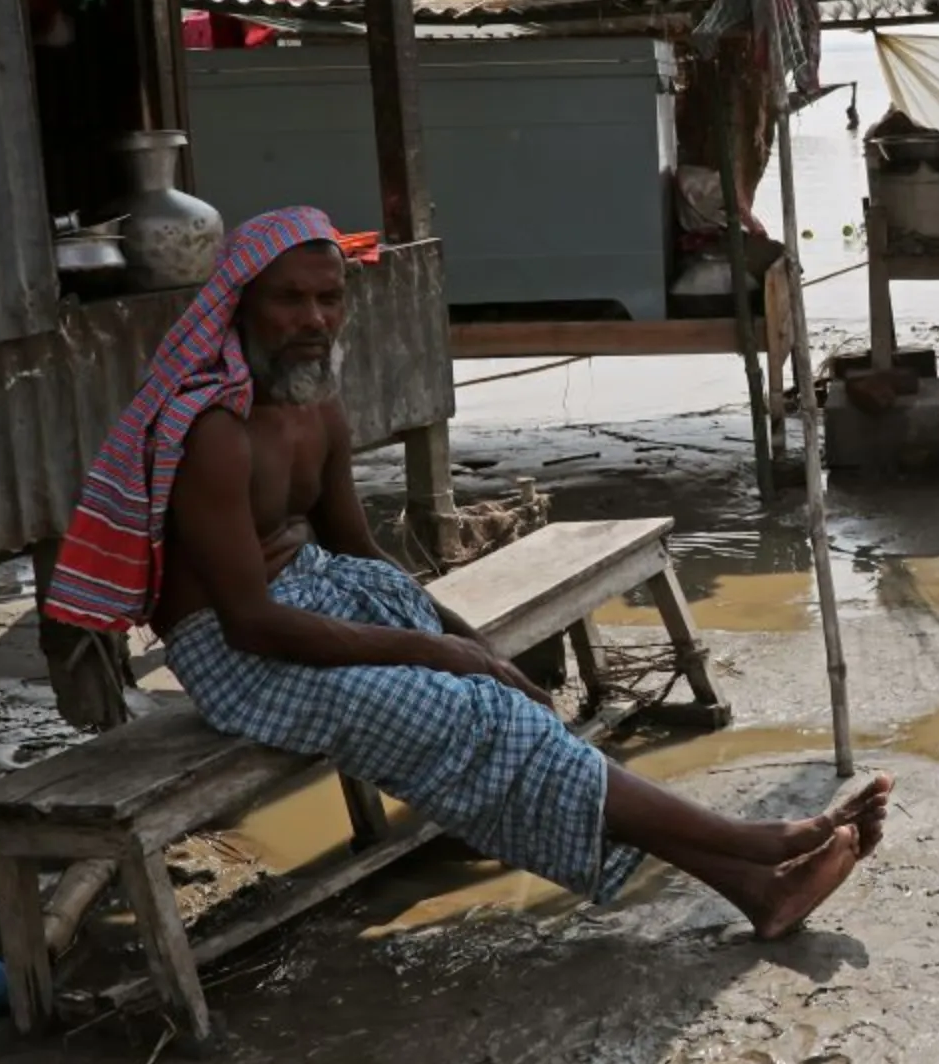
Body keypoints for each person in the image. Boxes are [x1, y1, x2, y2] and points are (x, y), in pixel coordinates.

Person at [44, 207, 888, 937]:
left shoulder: (318, 407)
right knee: (488, 721)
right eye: (289, 299)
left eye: (329, 298)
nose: (312, 318)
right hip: (243, 661)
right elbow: (250, 623)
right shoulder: (214, 433)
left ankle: (756, 888)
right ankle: (761, 845)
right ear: (241, 308)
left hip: (321, 607)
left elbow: (361, 555)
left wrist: (469, 641)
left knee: (509, 706)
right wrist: (442, 658)